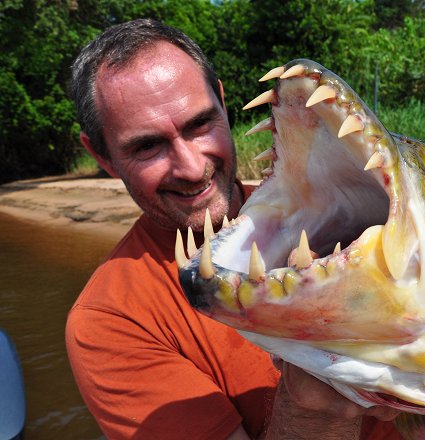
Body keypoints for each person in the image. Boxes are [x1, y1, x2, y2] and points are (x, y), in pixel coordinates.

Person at [65, 19, 400, 440]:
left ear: (223, 105)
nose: (191, 167)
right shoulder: (110, 322)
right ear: (103, 156)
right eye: (147, 146)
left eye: (200, 124)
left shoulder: (347, 210)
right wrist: (314, 411)